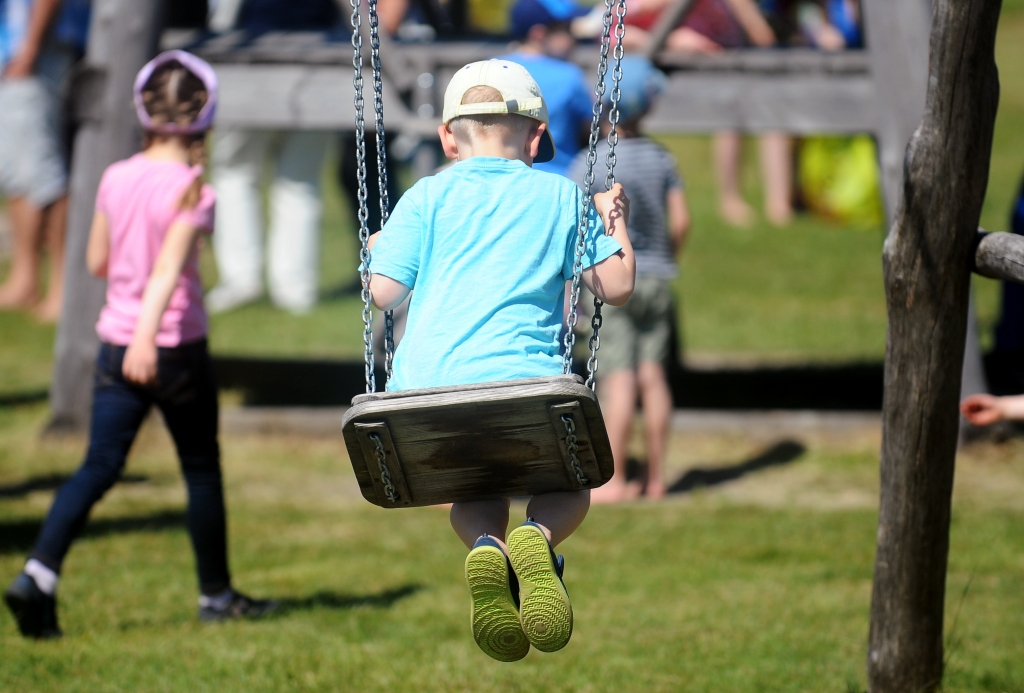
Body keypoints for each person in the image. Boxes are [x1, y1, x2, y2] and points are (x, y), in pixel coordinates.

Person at [367, 60, 634, 661]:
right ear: (537, 138)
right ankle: (536, 539)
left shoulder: (427, 193)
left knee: (475, 490)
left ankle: (487, 546)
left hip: (425, 399)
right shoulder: (561, 196)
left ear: (447, 139)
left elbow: (384, 293)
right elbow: (616, 286)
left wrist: (375, 249)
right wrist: (616, 222)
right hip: (527, 389)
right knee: (572, 485)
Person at [3, 51, 275, 640]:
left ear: (142, 110)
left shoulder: (115, 175)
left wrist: (130, 331)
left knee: (98, 466)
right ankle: (216, 595)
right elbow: (167, 272)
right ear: (206, 113)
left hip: (114, 342)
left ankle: (38, 574)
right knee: (201, 472)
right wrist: (148, 340)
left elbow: (98, 259)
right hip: (169, 345)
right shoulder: (192, 188)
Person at [568, 57, 689, 503]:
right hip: (657, 275)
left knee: (617, 379)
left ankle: (614, 479)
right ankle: (657, 478)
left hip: (611, 282)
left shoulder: (587, 163)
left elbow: (573, 226)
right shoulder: (662, 158)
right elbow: (682, 219)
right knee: (653, 375)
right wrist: (667, 255)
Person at [204, 0, 343, 314]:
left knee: (236, 174)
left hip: (248, 56)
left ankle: (244, 278)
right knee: (298, 181)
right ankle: (294, 287)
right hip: (318, 59)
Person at [621, 0, 793, 228]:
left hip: (721, 49)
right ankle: (733, 200)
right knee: (731, 117)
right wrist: (755, 26)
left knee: (771, 117)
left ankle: (779, 203)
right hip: (678, 51)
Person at [0, 0, 90, 321]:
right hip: (13, 50)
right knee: (15, 171)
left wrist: (30, 48)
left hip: (39, 50)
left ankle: (64, 288)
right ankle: (25, 280)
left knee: (46, 173)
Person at [503, 0, 593, 177]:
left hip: (503, 179)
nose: (574, 40)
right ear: (539, 34)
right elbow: (593, 128)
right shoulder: (569, 75)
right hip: (560, 179)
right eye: (567, 30)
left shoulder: (493, 68)